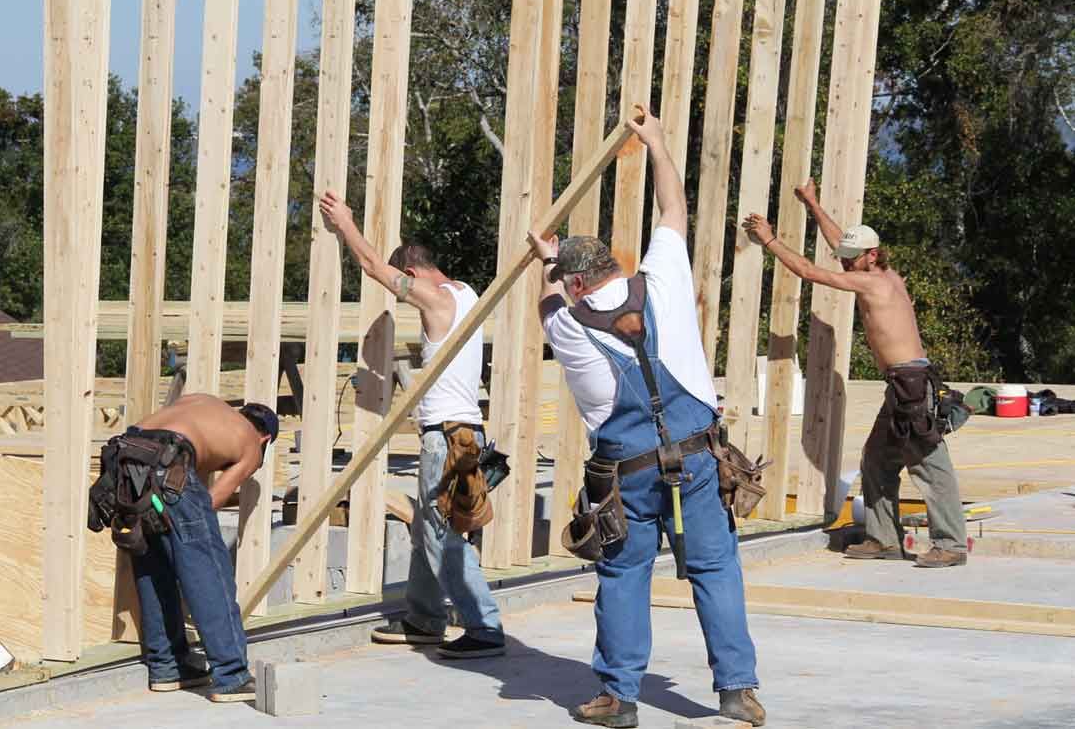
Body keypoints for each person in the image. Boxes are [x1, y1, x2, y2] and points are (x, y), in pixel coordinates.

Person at [528, 105, 763, 728]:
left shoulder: (571, 326)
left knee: (624, 574)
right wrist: (656, 141)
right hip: (700, 458)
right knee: (715, 569)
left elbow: (547, 305)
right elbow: (673, 210)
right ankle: (737, 689)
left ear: (576, 282)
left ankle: (620, 697)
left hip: (629, 474)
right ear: (610, 264)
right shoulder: (660, 279)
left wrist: (542, 262)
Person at [319, 192, 506, 659]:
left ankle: (484, 626)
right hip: (465, 433)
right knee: (429, 523)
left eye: (409, 279)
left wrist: (346, 225)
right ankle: (425, 617)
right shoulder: (466, 293)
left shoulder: (437, 299)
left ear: (417, 273)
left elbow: (373, 267)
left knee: (441, 531)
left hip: (446, 437)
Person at [743, 181, 968, 568]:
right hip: (902, 386)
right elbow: (838, 244)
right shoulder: (880, 270)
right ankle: (883, 539)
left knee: (930, 465)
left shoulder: (873, 282)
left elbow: (811, 272)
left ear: (873, 255)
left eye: (852, 258)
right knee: (877, 460)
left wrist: (770, 241)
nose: (844, 262)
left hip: (911, 386)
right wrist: (812, 203)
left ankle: (951, 545)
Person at [121, 393, 280, 701]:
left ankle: (169, 665)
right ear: (264, 438)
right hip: (168, 461)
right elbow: (212, 499)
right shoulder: (251, 444)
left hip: (126, 457)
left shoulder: (207, 406)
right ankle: (231, 675)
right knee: (209, 568)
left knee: (155, 564)